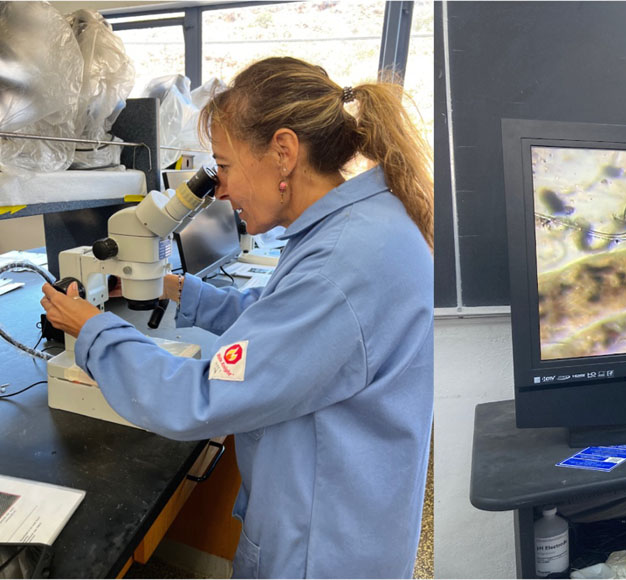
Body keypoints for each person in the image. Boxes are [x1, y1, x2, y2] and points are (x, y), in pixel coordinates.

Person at [40, 57, 433, 578]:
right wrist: (181, 290)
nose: (219, 191)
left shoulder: (341, 268)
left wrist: (91, 329)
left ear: (284, 152)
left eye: (223, 166)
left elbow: (198, 398)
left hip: (319, 551)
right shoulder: (361, 227)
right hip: (343, 514)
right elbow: (278, 326)